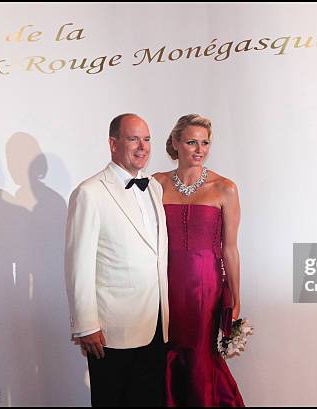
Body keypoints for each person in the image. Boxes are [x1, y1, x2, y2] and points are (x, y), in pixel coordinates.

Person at [64, 113, 169, 406]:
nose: (142, 147)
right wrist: (86, 324)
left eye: (147, 139)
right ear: (113, 144)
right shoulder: (90, 192)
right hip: (112, 330)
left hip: (155, 322)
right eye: (133, 139)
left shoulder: (155, 188)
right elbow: (78, 264)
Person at [154, 114, 244, 407]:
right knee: (166, 353)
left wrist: (236, 297)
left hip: (205, 289)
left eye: (205, 143)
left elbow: (230, 249)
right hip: (163, 285)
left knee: (199, 356)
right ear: (176, 143)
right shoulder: (157, 184)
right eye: (192, 142)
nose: (199, 149)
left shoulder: (225, 188)